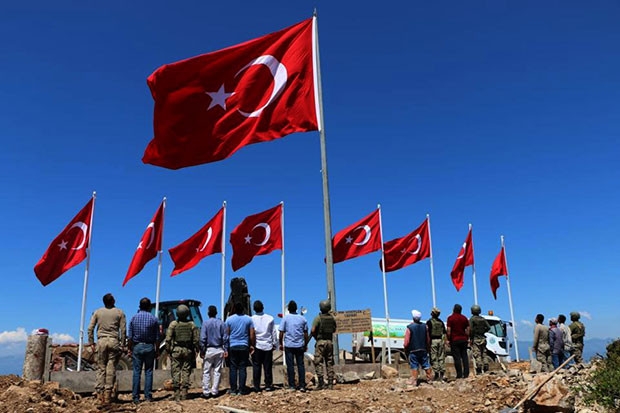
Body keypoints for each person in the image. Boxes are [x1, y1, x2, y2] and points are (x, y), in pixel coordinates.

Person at [87, 293, 127, 405]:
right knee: (111, 367)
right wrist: (122, 344)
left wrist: (91, 342)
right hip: (113, 341)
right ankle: (108, 394)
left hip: (101, 341)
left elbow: (90, 328)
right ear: (113, 301)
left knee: (101, 368)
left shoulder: (97, 312)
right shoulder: (119, 312)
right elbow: (123, 330)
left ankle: (100, 395)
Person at [128, 297, 160, 404]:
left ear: (139, 306)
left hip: (137, 347)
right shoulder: (154, 319)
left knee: (136, 372)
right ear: (149, 307)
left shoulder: (133, 318)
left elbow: (130, 337)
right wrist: (157, 350)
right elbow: (157, 337)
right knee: (149, 371)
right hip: (149, 347)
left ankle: (135, 397)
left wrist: (129, 348)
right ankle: (148, 396)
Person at [165, 304, 199, 401]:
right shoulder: (192, 324)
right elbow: (196, 339)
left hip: (176, 350)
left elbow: (168, 339)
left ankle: (176, 394)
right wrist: (197, 349)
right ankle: (184, 393)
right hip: (188, 350)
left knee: (175, 371)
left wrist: (168, 350)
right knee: (186, 371)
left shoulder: (173, 324)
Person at [225, 302, 255, 395]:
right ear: (243, 309)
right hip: (244, 345)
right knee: (242, 368)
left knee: (233, 368)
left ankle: (233, 389)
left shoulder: (229, 319)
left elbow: (226, 334)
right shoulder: (248, 319)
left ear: (234, 309)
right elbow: (251, 334)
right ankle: (242, 389)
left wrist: (226, 347)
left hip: (233, 346)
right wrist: (252, 345)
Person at [279, 300, 309, 392]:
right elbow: (305, 333)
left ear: (288, 309)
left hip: (289, 345)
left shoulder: (285, 319)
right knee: (300, 365)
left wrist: (280, 343)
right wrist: (306, 344)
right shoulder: (302, 319)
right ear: (296, 308)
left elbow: (281, 332)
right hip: (299, 345)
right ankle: (302, 385)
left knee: (290, 366)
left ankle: (292, 385)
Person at [199, 305, 228, 399]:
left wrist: (202, 350)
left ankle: (206, 392)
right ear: (216, 313)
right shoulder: (221, 323)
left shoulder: (205, 323)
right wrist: (226, 349)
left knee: (206, 371)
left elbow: (202, 338)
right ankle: (215, 391)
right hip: (219, 349)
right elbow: (225, 337)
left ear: (208, 313)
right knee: (217, 371)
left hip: (209, 349)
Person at [250, 300, 277, 392]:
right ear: (263, 307)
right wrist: (274, 343)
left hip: (257, 345)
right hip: (268, 345)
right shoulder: (270, 318)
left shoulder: (251, 319)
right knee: (267, 366)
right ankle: (268, 385)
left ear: (254, 309)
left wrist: (251, 344)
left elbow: (251, 333)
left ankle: (257, 386)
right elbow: (273, 332)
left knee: (256, 366)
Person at [311, 299, 337, 390]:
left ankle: (321, 383)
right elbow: (334, 329)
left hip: (320, 342)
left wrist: (316, 338)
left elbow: (313, 330)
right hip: (329, 342)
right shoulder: (332, 318)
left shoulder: (318, 318)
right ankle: (330, 384)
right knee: (329, 362)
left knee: (318, 362)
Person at [404, 309, 432, 386]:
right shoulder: (425, 327)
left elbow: (406, 341)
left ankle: (414, 380)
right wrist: (428, 347)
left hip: (413, 350)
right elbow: (428, 339)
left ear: (413, 318)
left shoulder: (410, 327)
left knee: (414, 365)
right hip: (423, 349)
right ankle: (429, 379)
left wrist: (405, 347)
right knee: (426, 364)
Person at [446, 304, 470, 379]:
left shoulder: (450, 318)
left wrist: (448, 339)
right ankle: (466, 374)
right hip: (463, 339)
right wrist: (467, 338)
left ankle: (459, 374)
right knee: (464, 357)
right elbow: (468, 329)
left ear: (453, 309)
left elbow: (449, 330)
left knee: (457, 358)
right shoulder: (464, 318)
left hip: (455, 340)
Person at [426, 307, 447, 381]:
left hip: (433, 341)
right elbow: (444, 332)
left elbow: (428, 333)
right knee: (441, 357)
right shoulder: (441, 322)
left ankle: (437, 374)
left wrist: (428, 343)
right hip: (441, 340)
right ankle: (442, 374)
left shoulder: (429, 322)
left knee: (434, 357)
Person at [469, 304, 491, 374]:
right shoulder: (483, 319)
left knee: (477, 354)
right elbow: (488, 327)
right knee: (484, 354)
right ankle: (486, 367)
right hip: (483, 338)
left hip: (476, 338)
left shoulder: (472, 319)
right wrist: (483, 331)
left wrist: (471, 338)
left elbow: (471, 329)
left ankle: (479, 369)